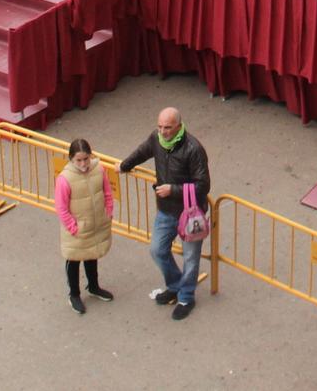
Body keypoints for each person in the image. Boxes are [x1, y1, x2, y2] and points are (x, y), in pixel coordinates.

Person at [119, 106, 212, 319]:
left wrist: (173, 189)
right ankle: (175, 285)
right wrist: (124, 166)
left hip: (190, 213)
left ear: (179, 126)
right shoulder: (157, 138)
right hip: (166, 210)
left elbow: (203, 185)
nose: (163, 132)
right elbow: (142, 151)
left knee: (191, 258)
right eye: (160, 127)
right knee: (157, 250)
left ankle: (186, 297)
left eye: (168, 128)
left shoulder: (193, 148)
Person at [55, 137, 117, 314]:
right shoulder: (64, 179)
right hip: (77, 228)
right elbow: (61, 207)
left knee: (92, 255)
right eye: (78, 160)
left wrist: (109, 212)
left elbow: (107, 192)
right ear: (71, 159)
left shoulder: (99, 169)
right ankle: (74, 294)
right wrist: (73, 228)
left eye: (86, 159)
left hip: (95, 223)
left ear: (90, 156)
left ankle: (93, 286)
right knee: (73, 260)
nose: (83, 163)